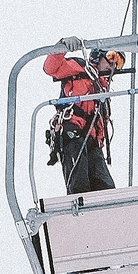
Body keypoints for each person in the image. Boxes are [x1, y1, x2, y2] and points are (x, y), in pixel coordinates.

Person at [42, 39, 127, 196]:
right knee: (79, 183)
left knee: (105, 186)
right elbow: (51, 68)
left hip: (93, 142)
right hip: (71, 132)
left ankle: (108, 214)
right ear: (98, 56)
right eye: (112, 57)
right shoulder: (81, 68)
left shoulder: (103, 90)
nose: (114, 66)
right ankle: (80, 213)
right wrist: (62, 46)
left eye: (119, 63)